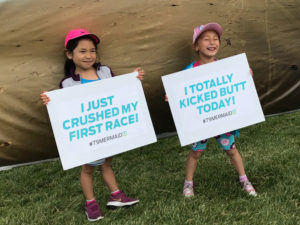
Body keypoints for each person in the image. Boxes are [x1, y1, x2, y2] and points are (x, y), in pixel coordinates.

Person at [41, 29, 144, 221]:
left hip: (108, 130)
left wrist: (133, 79)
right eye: (82, 51)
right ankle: (91, 204)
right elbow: (66, 111)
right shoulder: (68, 84)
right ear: (69, 54)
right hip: (88, 135)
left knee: (106, 163)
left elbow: (118, 91)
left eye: (92, 50)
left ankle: (116, 195)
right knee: (88, 168)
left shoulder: (104, 72)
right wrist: (50, 101)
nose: (89, 55)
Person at [166, 23, 257, 198]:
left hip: (223, 119)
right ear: (196, 46)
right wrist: (173, 97)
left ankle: (244, 179)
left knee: (231, 149)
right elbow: (179, 91)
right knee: (196, 153)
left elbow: (237, 85)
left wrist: (246, 76)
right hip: (200, 122)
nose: (212, 42)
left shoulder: (227, 67)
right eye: (206, 38)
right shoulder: (189, 71)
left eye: (216, 38)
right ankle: (188, 183)